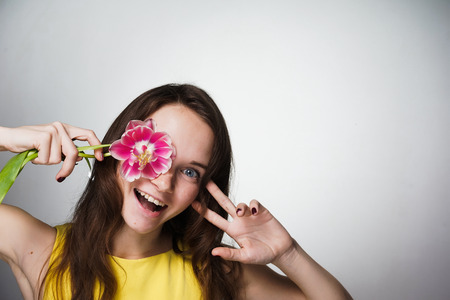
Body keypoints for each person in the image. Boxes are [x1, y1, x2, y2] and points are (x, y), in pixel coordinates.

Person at [0, 84, 352, 300]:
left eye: (189, 171)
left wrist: (287, 253)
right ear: (116, 150)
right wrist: (6, 138)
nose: (164, 182)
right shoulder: (41, 250)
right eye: (152, 153)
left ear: (204, 188)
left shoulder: (216, 273)